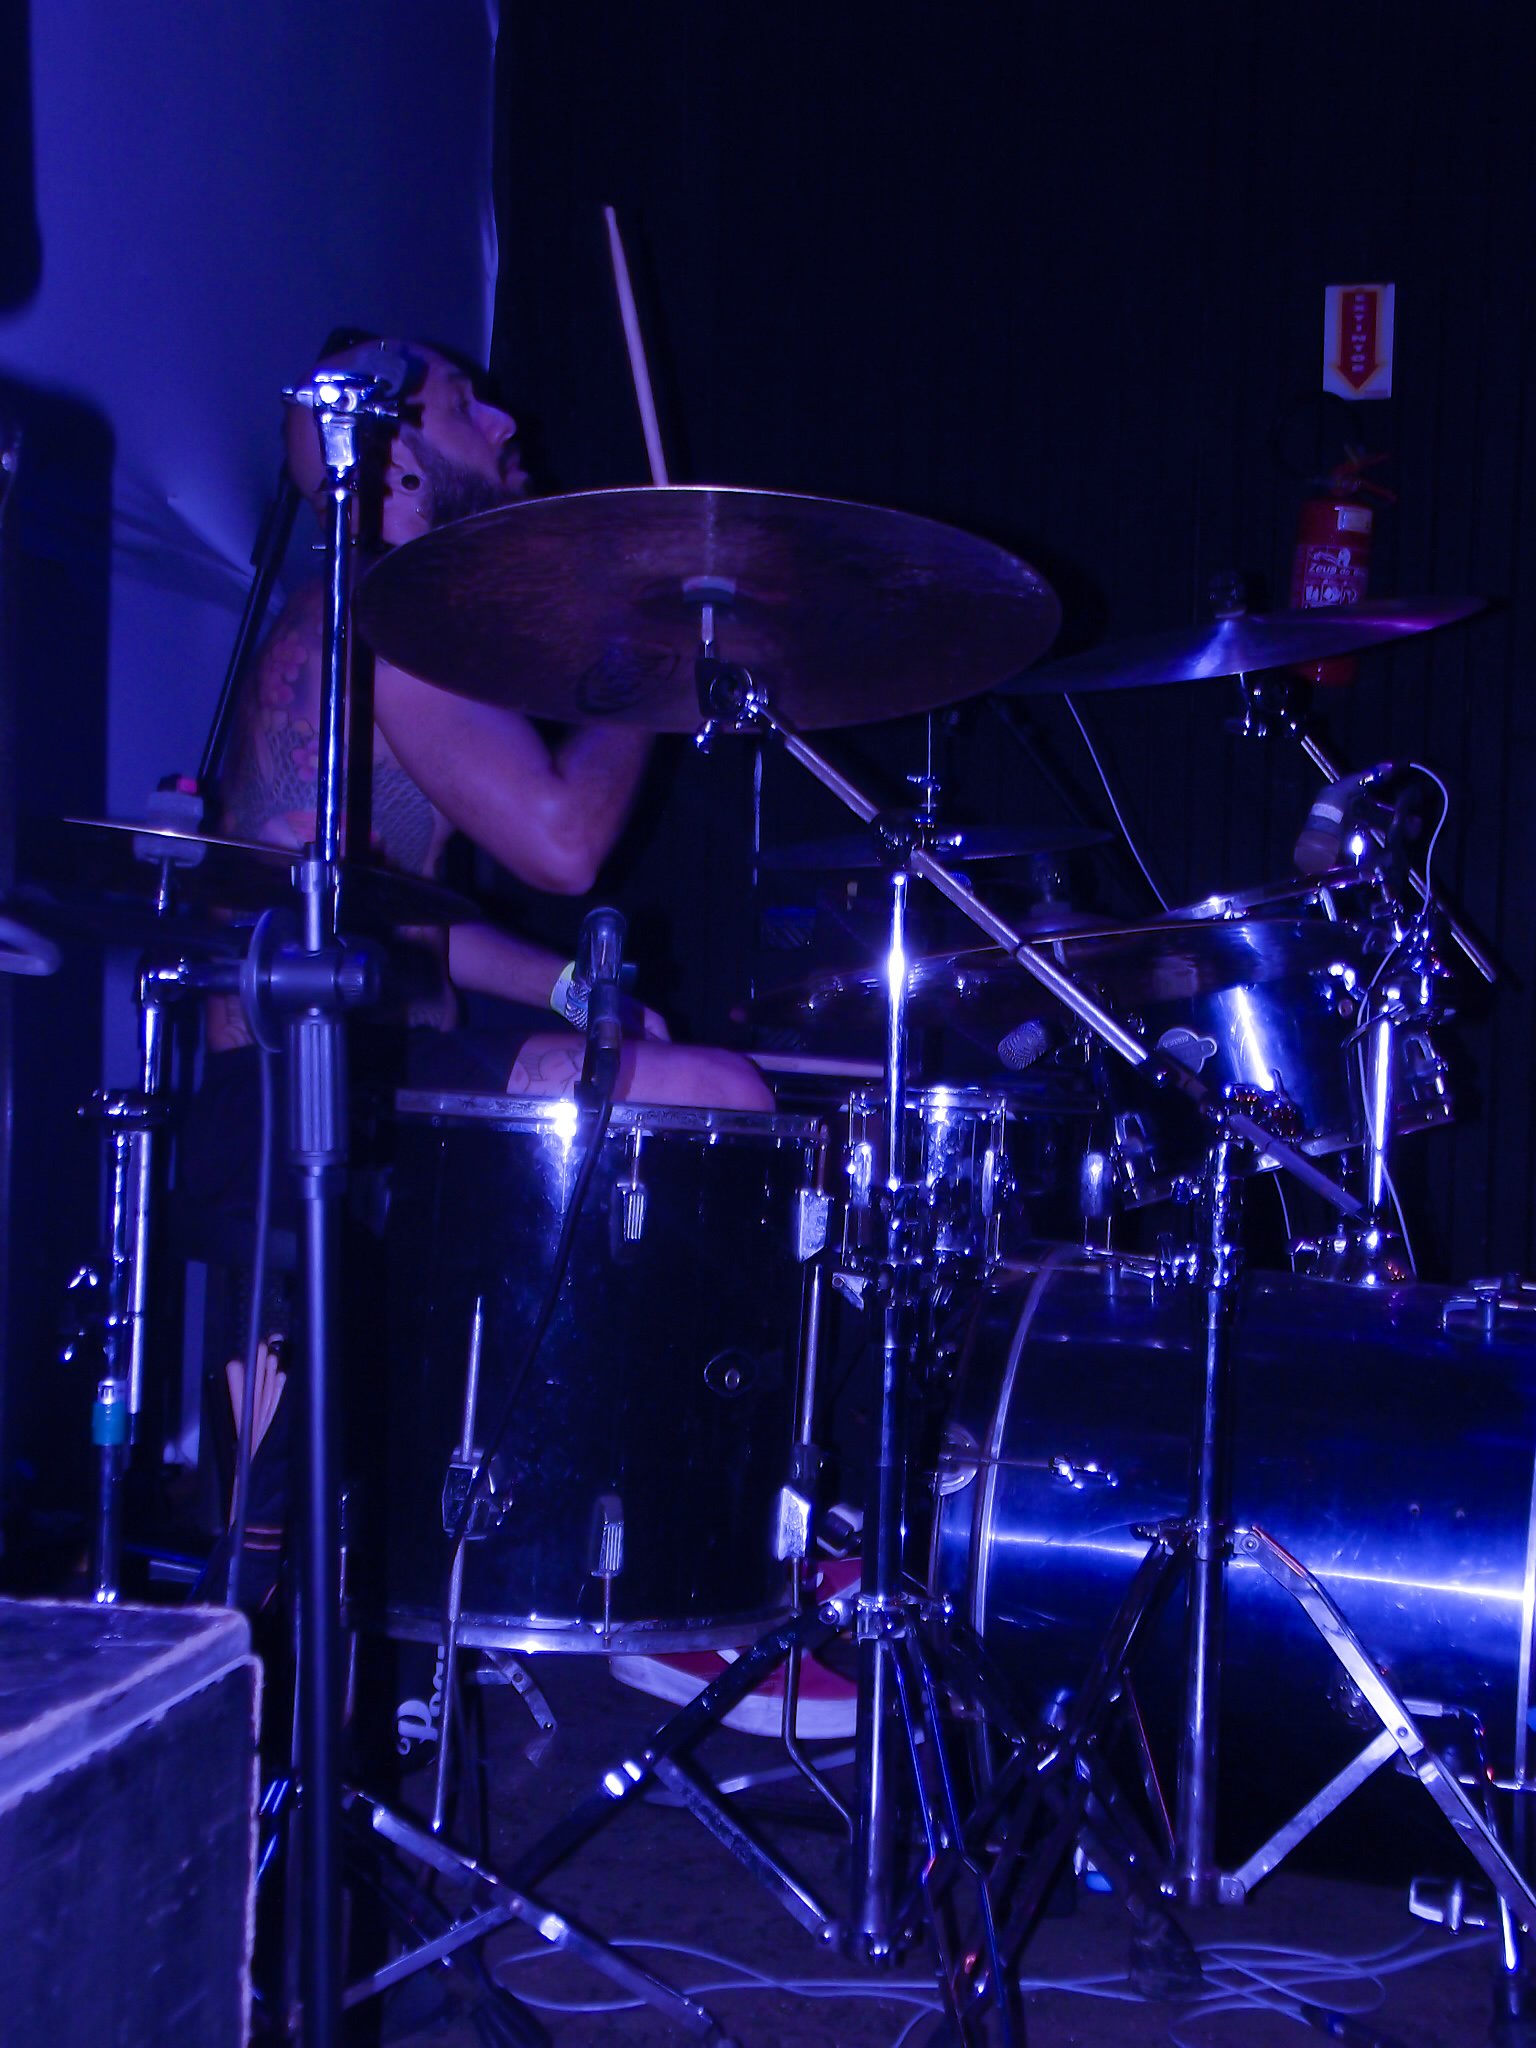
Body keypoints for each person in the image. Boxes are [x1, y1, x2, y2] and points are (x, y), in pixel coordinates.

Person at [204, 333, 772, 1110]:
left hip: (347, 1074)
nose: (505, 422)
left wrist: (575, 990)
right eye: (463, 406)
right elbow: (563, 846)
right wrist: (660, 648)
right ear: (397, 467)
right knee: (721, 1091)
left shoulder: (362, 611)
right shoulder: (384, 618)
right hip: (297, 1096)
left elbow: (406, 920)